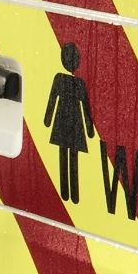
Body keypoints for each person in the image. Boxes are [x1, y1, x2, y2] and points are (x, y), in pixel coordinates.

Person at [43, 42, 95, 205]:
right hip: (74, 122)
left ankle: (67, 192)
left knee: (65, 155)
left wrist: (48, 119)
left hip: (63, 120)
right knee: (71, 157)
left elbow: (53, 100)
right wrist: (89, 129)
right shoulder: (79, 83)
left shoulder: (61, 79)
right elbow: (85, 107)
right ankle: (71, 193)